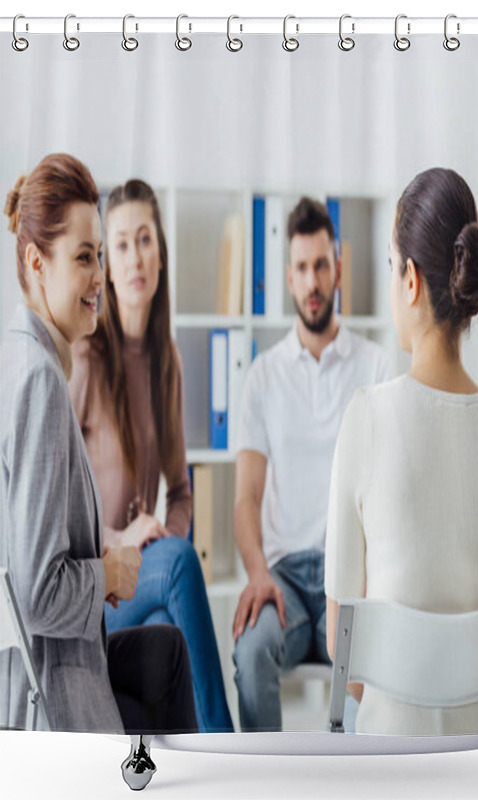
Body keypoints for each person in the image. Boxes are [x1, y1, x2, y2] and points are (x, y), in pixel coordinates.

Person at [324, 167, 478, 736]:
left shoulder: (365, 419)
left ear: (410, 279)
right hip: (477, 770)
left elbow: (341, 644)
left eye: (393, 266)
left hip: (383, 771)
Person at [0, 153, 196, 733]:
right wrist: (108, 573)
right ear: (37, 262)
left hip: (68, 660)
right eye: (84, 258)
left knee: (167, 653)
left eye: (98, 258)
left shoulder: (23, 358)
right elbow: (38, 594)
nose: (99, 278)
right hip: (52, 697)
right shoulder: (39, 379)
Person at [68, 178, 233, 733]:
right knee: (183, 563)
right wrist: (123, 539)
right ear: (107, 266)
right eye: (121, 244)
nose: (135, 256)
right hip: (97, 585)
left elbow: (181, 491)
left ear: (160, 252)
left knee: (170, 624)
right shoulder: (86, 359)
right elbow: (61, 505)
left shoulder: (167, 360)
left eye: (145, 239)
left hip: (143, 581)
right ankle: (230, 751)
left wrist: (162, 532)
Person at [232, 196, 390, 731]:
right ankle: (264, 786)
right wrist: (256, 574)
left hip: (350, 576)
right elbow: (245, 498)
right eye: (301, 268)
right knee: (251, 652)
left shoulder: (375, 365)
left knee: (377, 664)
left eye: (321, 265)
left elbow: (387, 489)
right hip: (285, 583)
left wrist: (371, 584)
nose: (313, 280)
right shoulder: (262, 375)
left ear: (338, 268)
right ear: (288, 278)